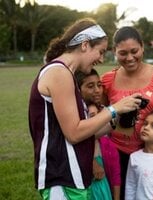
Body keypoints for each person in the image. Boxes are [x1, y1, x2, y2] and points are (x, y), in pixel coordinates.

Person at [28, 18, 141, 200]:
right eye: (101, 52)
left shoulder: (67, 74)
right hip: (62, 176)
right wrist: (113, 109)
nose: (102, 59)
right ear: (85, 45)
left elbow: (85, 132)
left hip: (74, 177)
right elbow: (74, 133)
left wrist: (118, 117)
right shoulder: (59, 73)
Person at [101, 26, 153, 199]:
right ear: (114, 51)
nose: (129, 58)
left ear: (142, 47)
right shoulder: (107, 80)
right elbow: (100, 119)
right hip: (117, 154)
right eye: (122, 53)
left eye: (134, 51)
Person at [75, 69, 121, 200]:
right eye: (90, 86)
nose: (97, 90)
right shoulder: (77, 111)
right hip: (86, 167)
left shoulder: (98, 107)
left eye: (99, 85)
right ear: (78, 89)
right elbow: (81, 136)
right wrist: (93, 162)